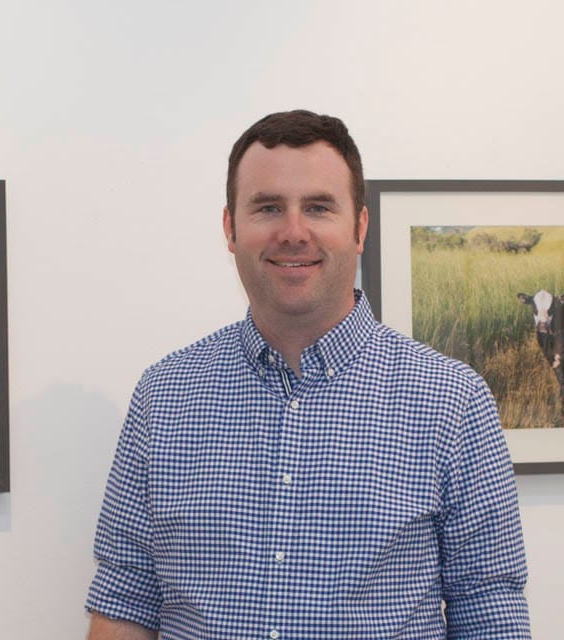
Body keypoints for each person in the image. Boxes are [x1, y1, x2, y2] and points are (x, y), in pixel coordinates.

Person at [85, 110, 530, 639]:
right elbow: (125, 600)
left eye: (318, 207)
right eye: (268, 207)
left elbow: (489, 610)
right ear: (230, 228)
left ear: (359, 228)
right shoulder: (164, 395)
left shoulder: (452, 400)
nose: (293, 233)